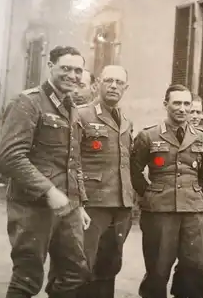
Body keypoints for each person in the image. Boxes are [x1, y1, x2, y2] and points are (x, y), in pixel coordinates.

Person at [0, 46, 91, 298]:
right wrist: (49, 192)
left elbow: (72, 160)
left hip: (67, 206)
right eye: (66, 68)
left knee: (75, 272)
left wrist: (79, 202)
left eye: (78, 70)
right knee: (28, 277)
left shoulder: (71, 106)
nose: (73, 75)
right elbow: (10, 156)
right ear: (50, 67)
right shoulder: (27, 102)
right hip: (33, 206)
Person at [131, 84, 203, 298]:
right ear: (165, 104)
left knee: (196, 268)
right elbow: (134, 171)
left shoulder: (202, 138)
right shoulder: (148, 136)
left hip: (193, 211)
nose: (183, 108)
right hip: (160, 210)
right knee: (157, 270)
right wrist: (151, 193)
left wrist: (196, 195)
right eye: (177, 103)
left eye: (187, 104)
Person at [76, 65, 134, 298]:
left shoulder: (126, 121)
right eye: (109, 80)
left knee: (109, 266)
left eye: (119, 83)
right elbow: (73, 161)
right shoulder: (81, 115)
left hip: (119, 206)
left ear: (125, 88)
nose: (113, 86)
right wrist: (78, 201)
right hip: (92, 204)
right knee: (81, 265)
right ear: (97, 83)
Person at [170, 93, 203, 298]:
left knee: (195, 256)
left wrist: (198, 192)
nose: (195, 115)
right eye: (192, 111)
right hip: (172, 202)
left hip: (197, 201)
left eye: (199, 112)